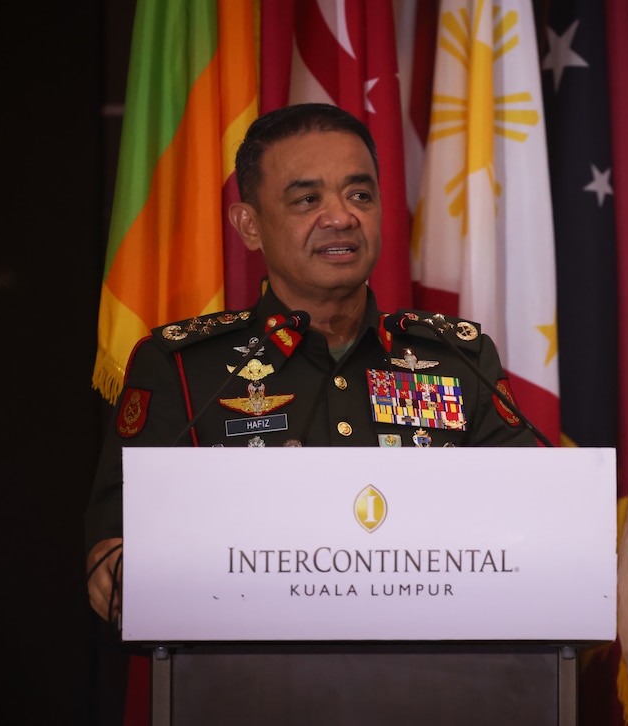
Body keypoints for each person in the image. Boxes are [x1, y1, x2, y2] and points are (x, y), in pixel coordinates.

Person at [85, 102, 539, 622]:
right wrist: (119, 565)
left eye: (360, 194)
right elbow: (115, 550)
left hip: (440, 679)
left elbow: (529, 526)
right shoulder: (184, 370)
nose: (341, 217)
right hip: (249, 687)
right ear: (249, 226)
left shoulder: (459, 359)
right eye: (307, 199)